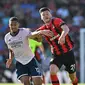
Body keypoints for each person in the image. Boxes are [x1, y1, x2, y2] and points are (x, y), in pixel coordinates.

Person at [37, 7, 78, 85]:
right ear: (41, 18)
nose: (46, 16)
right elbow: (30, 35)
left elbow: (66, 28)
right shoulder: (43, 29)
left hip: (68, 54)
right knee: (52, 70)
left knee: (72, 77)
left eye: (47, 14)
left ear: (51, 15)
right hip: (56, 55)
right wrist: (41, 32)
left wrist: (62, 36)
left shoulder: (56, 21)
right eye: (43, 15)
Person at [4, 17, 51, 85]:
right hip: (20, 62)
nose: (13, 26)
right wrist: (10, 58)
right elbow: (11, 50)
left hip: (30, 60)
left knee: (37, 82)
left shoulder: (24, 31)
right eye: (11, 24)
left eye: (15, 24)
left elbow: (32, 34)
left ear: (18, 25)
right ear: (9, 25)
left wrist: (41, 32)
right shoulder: (7, 37)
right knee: (26, 82)